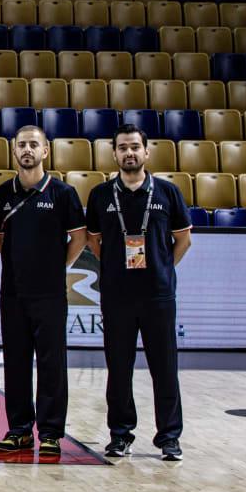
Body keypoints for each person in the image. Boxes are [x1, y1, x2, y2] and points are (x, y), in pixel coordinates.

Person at [86, 124, 191, 461]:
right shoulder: (101, 195)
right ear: (114, 154)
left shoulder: (168, 192)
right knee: (119, 369)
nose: (129, 152)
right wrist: (115, 267)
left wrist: (162, 266)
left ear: (146, 152)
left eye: (134, 147)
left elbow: (183, 239)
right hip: (117, 295)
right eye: (122, 147)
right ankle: (120, 435)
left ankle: (169, 437)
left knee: (165, 368)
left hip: (158, 295)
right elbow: (93, 241)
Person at [0, 126, 86, 457]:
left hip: (50, 294)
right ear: (14, 151)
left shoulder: (63, 193)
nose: (27, 149)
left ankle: (51, 432)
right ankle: (19, 430)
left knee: (51, 363)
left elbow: (79, 238)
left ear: (45, 151)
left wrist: (55, 265)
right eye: (22, 145)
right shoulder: (2, 194)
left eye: (33, 144)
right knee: (15, 362)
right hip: (13, 292)